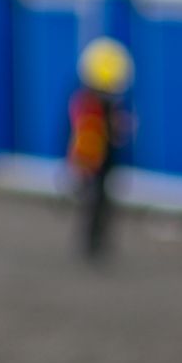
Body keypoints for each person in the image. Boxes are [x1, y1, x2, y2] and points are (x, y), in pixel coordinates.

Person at [67, 36, 133, 260]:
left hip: (102, 161)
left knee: (100, 202)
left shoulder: (100, 104)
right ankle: (92, 243)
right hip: (91, 161)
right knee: (94, 201)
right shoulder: (88, 104)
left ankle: (97, 242)